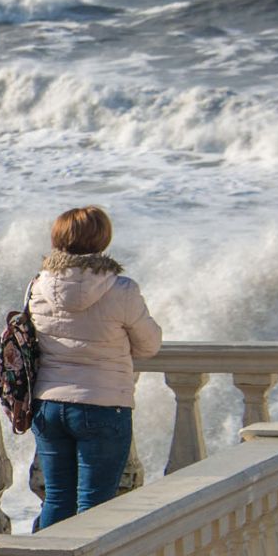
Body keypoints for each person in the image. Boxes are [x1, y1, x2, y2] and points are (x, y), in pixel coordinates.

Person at [27, 205, 162, 530]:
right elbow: (150, 345)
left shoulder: (37, 286)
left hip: (48, 405)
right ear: (102, 239)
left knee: (57, 498)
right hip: (102, 406)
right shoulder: (121, 290)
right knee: (94, 505)